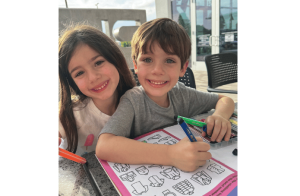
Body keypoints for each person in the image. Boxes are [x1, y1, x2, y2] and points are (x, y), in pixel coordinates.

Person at [96, 18, 235, 171]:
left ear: (183, 68)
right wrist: (170, 155)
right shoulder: (133, 100)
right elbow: (104, 146)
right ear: (135, 65)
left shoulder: (182, 94)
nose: (157, 70)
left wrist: (220, 116)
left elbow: (225, 99)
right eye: (147, 59)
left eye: (169, 60)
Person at [59, 24, 136, 156]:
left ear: (115, 59)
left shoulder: (140, 101)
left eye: (98, 62)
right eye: (79, 73)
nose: (93, 77)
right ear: (72, 83)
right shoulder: (70, 115)